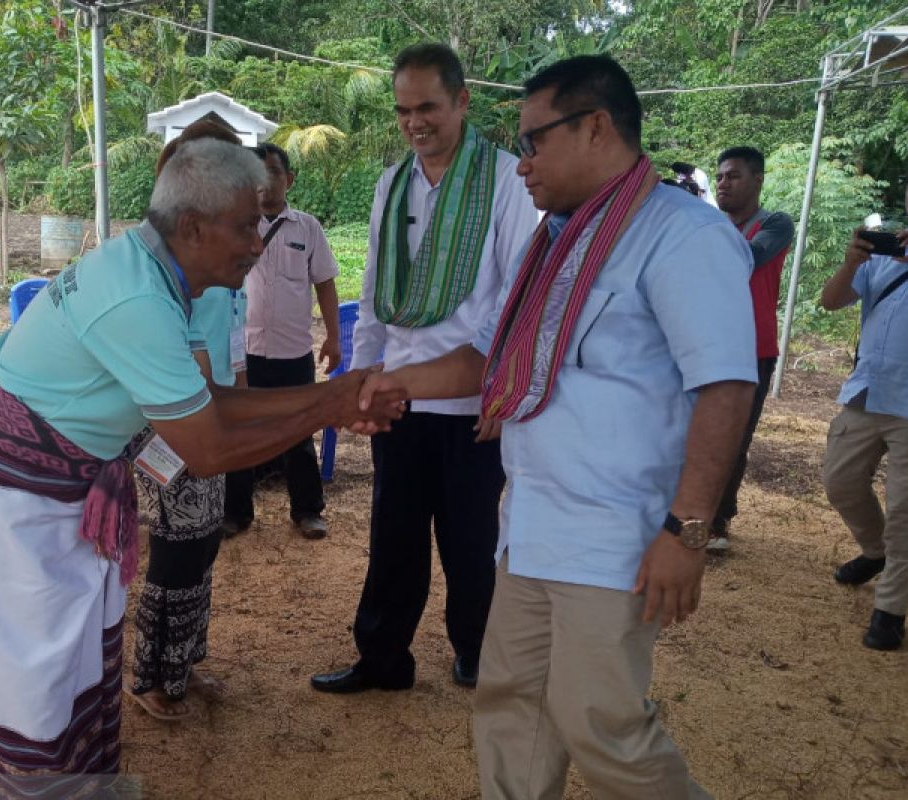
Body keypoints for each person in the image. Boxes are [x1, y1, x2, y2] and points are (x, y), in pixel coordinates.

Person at [0, 138, 401, 796]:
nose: (257, 243)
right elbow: (205, 448)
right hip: (13, 496)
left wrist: (327, 396)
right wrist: (328, 409)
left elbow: (205, 400)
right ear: (193, 227)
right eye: (246, 225)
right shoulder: (139, 299)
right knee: (31, 680)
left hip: (51, 485)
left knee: (70, 663)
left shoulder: (154, 274)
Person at [355, 54, 756, 798]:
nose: (522, 163)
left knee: (602, 726)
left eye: (535, 142)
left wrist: (689, 528)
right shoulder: (560, 240)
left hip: (616, 537)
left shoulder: (680, 235)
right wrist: (390, 382)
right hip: (533, 526)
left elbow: (726, 384)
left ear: (596, 127)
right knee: (513, 711)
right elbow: (495, 358)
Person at [310, 43, 538, 695]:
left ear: (462, 102)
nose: (415, 122)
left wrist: (498, 390)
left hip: (472, 402)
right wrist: (362, 379)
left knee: (470, 539)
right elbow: (378, 291)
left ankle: (475, 651)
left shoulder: (504, 181)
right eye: (404, 109)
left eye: (429, 107)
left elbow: (517, 294)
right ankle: (384, 659)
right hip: (399, 398)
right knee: (394, 538)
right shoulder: (393, 183)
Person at [127, 121, 250, 722]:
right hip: (172, 421)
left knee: (203, 542)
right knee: (176, 548)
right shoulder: (156, 256)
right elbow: (184, 351)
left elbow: (226, 332)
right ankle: (151, 677)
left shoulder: (220, 247)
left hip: (211, 409)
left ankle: (183, 662)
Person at [820, 158, 908, 651]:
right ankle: (874, 549)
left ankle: (890, 610)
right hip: (868, 393)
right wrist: (851, 262)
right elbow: (830, 302)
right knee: (838, 481)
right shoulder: (886, 254)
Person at [222, 142, 341, 540]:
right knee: (240, 430)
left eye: (272, 173)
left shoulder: (307, 228)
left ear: (288, 180)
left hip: (293, 351)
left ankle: (307, 510)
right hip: (246, 351)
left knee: (298, 431)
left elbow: (325, 285)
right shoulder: (236, 226)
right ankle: (235, 513)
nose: (263, 183)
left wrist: (335, 338)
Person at [710, 146, 795, 552]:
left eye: (734, 176)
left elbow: (746, 258)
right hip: (704, 341)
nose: (723, 183)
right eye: (720, 177)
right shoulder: (709, 223)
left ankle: (718, 520)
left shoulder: (774, 224)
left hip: (753, 348)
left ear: (758, 180)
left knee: (734, 436)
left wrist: (703, 227)